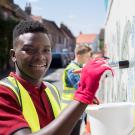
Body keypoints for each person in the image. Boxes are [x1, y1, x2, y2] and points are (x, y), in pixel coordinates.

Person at [0, 20, 112, 135]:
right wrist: (84, 94)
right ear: (13, 55)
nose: (40, 57)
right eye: (29, 50)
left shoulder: (51, 89)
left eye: (46, 50)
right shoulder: (4, 93)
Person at [61, 44, 92, 135]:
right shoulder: (72, 70)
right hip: (71, 110)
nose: (89, 59)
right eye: (87, 56)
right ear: (78, 56)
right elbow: (82, 88)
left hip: (76, 109)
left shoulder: (78, 68)